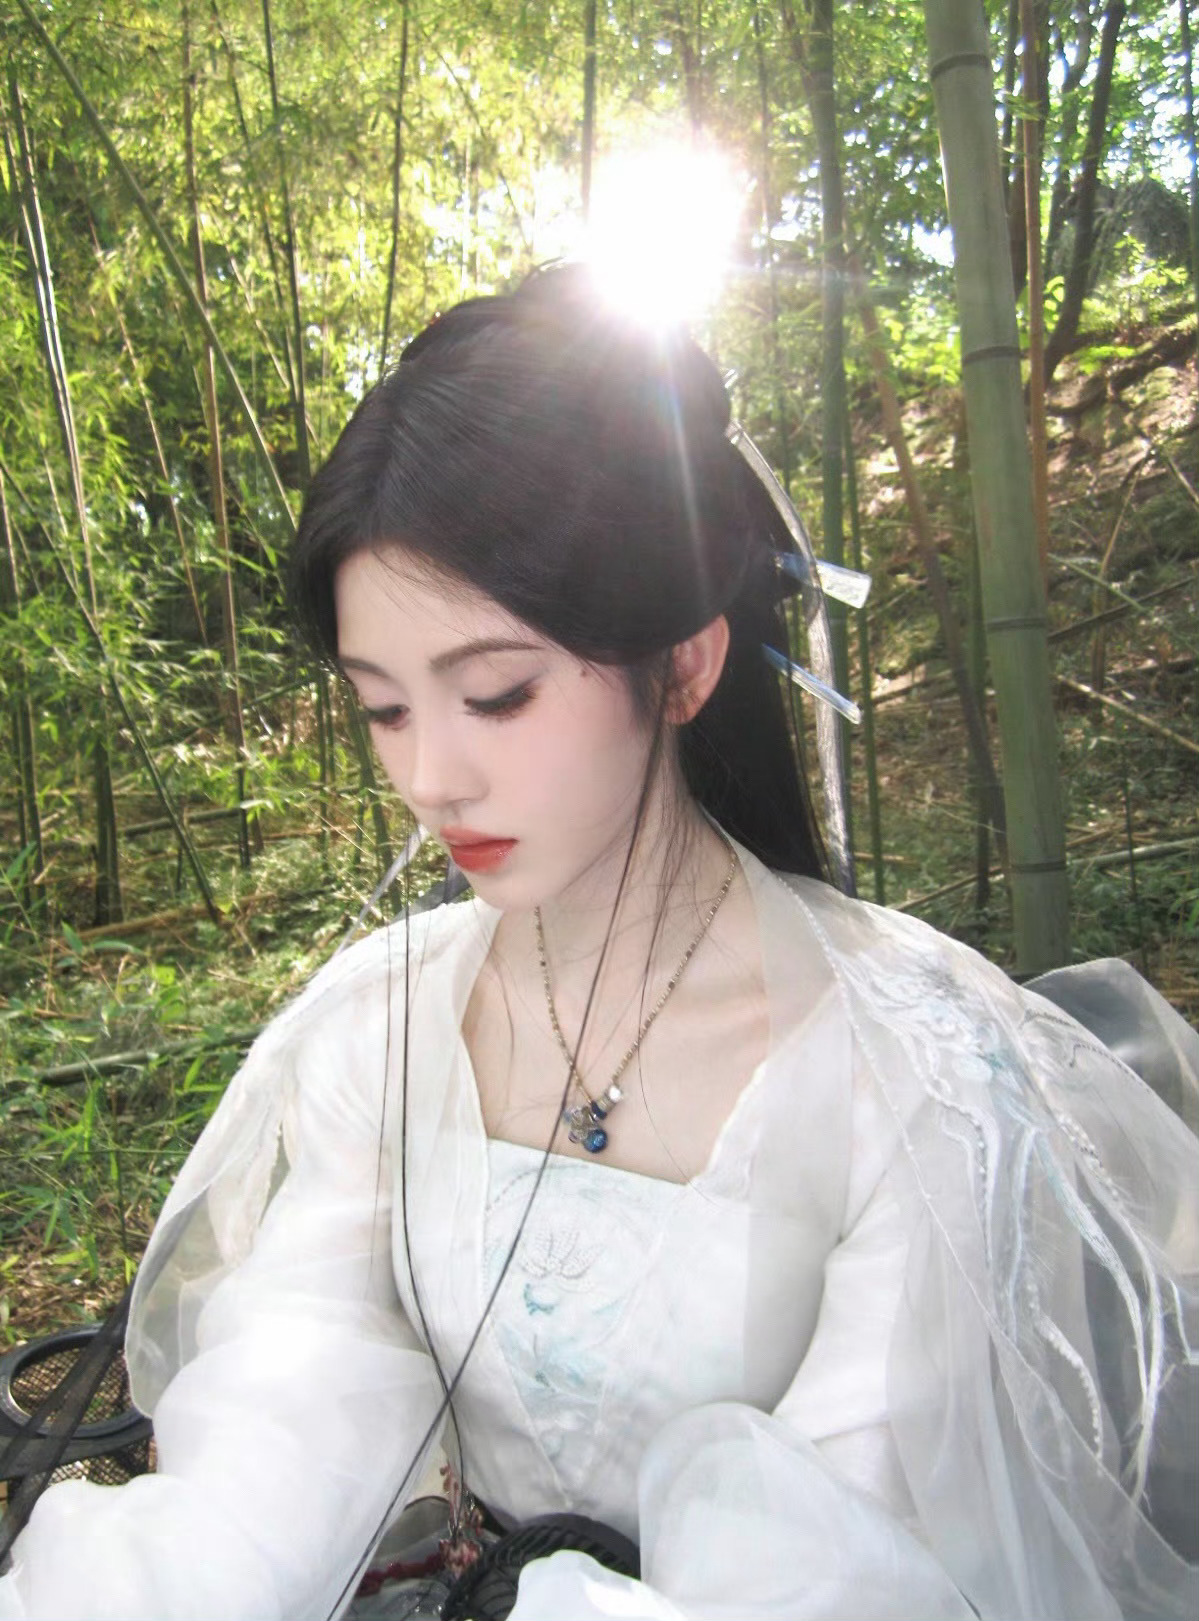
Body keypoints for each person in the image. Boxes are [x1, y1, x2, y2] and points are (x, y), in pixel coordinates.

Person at [1, 265, 1196, 1621]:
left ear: (683, 663)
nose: (430, 779)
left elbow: (856, 1560)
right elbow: (293, 1400)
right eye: (384, 709)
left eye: (496, 695)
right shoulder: (380, 1030)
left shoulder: (909, 1074)